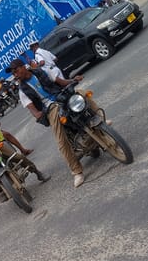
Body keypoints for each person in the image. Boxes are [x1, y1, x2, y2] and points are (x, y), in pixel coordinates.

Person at [6, 58, 104, 189]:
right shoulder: (22, 91)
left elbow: (61, 82)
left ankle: (100, 120)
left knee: (82, 93)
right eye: (13, 73)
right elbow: (32, 109)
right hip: (50, 109)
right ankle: (77, 172)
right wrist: (38, 114)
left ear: (23, 67)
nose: (15, 75)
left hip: (61, 96)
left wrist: (73, 80)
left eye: (16, 70)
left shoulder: (41, 71)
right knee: (61, 140)